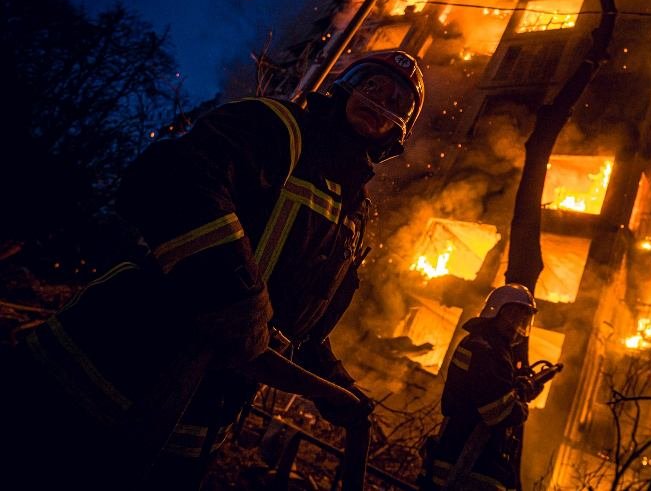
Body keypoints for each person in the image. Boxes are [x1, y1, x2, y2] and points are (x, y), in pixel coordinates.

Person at [1, 50, 425, 489]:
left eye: (396, 101)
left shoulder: (352, 214)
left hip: (196, 421)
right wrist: (238, 296)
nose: (380, 101)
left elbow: (300, 327)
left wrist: (338, 389)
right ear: (345, 87)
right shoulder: (277, 127)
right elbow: (171, 178)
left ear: (398, 133)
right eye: (372, 85)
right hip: (100, 363)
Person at [423, 283, 541, 491]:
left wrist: (516, 388)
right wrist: (521, 406)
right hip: (467, 462)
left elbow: (487, 388)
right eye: (513, 316)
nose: (517, 326)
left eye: (523, 320)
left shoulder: (487, 346)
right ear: (496, 312)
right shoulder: (486, 349)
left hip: (463, 455)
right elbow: (496, 411)